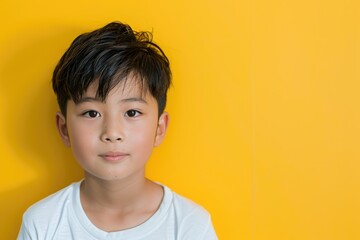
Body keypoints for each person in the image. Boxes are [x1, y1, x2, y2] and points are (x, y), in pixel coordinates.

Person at [17, 22, 218, 239]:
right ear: (64, 128)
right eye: (92, 113)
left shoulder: (190, 225)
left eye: (131, 113)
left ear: (159, 128)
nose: (112, 133)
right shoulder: (43, 223)